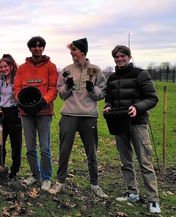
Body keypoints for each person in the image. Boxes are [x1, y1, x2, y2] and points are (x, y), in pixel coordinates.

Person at [48, 38, 108, 198]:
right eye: (71, 50)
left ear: (82, 51)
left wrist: (92, 89)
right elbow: (61, 93)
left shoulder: (95, 70)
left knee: (92, 152)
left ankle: (95, 185)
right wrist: (67, 86)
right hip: (69, 116)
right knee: (64, 151)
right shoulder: (67, 70)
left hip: (88, 117)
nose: (71, 53)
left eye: (74, 50)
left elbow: (102, 93)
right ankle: (60, 182)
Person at [104, 45, 161, 213]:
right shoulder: (112, 78)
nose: (119, 59)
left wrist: (138, 107)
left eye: (122, 56)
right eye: (116, 57)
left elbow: (152, 98)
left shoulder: (141, 74)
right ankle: (132, 192)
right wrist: (108, 107)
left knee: (145, 161)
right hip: (119, 122)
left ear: (129, 57)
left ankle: (153, 199)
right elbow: (109, 99)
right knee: (126, 161)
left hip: (138, 123)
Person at [13, 36, 58, 191]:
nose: (37, 49)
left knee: (45, 147)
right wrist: (20, 99)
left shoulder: (50, 67)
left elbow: (53, 88)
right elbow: (17, 87)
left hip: (44, 111)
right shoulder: (22, 68)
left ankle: (46, 177)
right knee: (30, 146)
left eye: (40, 46)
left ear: (43, 48)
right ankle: (35, 174)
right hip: (26, 112)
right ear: (30, 48)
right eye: (34, 46)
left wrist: (44, 101)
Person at [0, 54, 22, 179]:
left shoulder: (18, 79)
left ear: (12, 66)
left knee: (16, 144)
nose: (3, 69)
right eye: (1, 67)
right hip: (0, 113)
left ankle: (14, 171)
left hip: (14, 113)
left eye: (6, 66)